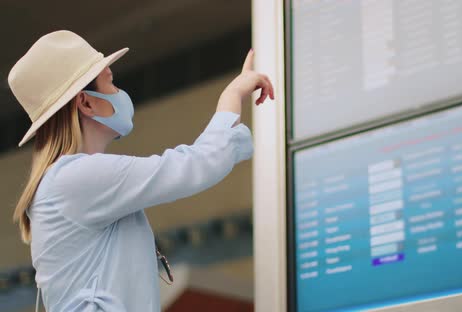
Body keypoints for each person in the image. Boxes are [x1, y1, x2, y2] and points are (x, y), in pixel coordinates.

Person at [8, 30, 274, 311]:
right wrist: (233, 93)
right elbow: (197, 164)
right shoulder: (75, 178)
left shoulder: (65, 182)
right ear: (86, 102)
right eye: (110, 82)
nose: (119, 92)